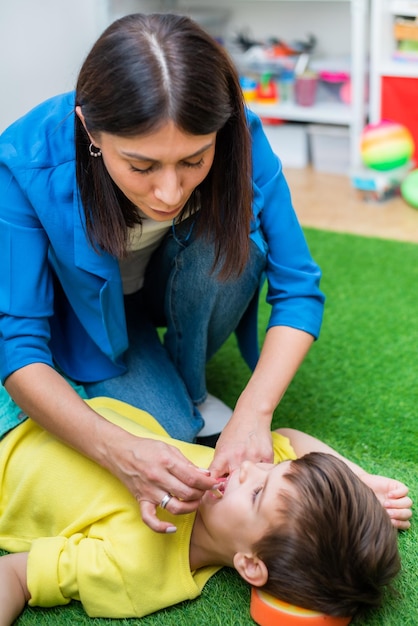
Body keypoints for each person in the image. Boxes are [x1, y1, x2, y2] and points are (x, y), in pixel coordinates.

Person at [0, 12, 325, 533]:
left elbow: (300, 289)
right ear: (90, 128)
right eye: (142, 166)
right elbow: (19, 347)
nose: (171, 193)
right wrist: (118, 450)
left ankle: (190, 386)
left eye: (194, 161)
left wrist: (253, 411)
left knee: (234, 243)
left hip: (169, 283)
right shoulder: (25, 161)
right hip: (88, 326)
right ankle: (180, 403)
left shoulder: (240, 134)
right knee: (172, 436)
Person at [0, 397, 412, 625]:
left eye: (256, 493)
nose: (252, 466)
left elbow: (16, 576)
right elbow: (291, 439)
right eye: (271, 468)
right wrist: (360, 480)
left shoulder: (137, 572)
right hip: (54, 400)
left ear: (251, 564)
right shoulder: (233, 479)